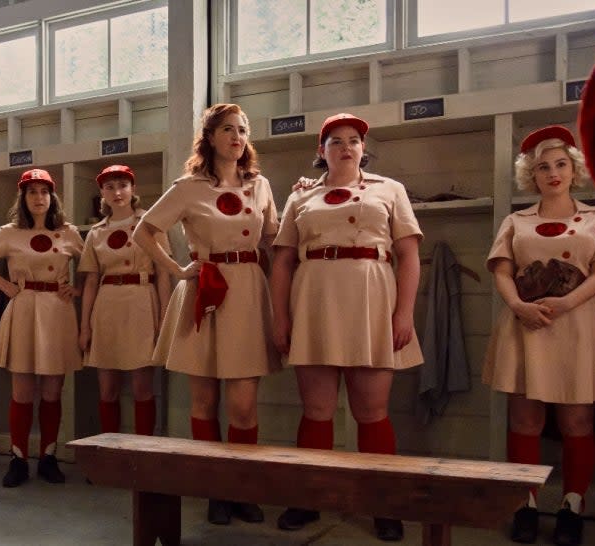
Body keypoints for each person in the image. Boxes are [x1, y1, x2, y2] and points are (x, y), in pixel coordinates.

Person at [269, 113, 423, 541]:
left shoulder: (389, 190)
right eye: (335, 140)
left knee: (372, 411)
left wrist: (404, 312)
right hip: (314, 299)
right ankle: (308, 496)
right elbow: (282, 260)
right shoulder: (300, 197)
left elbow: (409, 255)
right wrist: (281, 316)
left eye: (353, 140)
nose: (345, 146)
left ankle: (382, 502)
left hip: (373, 299)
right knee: (316, 410)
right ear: (321, 152)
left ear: (363, 148)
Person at [132, 103, 280, 525]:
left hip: (249, 289)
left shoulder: (260, 185)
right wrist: (178, 270)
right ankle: (214, 489)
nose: (238, 137)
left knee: (244, 405)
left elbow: (274, 238)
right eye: (229, 129)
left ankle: (242, 486)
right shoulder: (188, 187)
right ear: (210, 137)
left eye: (244, 130)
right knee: (204, 398)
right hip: (206, 288)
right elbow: (144, 232)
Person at [482, 125, 595, 546]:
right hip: (525, 325)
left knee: (578, 420)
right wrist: (519, 306)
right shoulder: (515, 220)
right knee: (525, 419)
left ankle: (572, 507)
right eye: (543, 167)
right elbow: (502, 270)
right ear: (532, 175)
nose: (553, 173)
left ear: (574, 169)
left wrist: (566, 303)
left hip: (577, 325)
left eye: (560, 164)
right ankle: (524, 504)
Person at [0, 168, 84, 487]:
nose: (39, 198)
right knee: (22, 391)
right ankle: (18, 459)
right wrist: (5, 287)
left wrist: (77, 290)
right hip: (23, 309)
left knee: (52, 391)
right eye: (32, 192)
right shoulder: (9, 232)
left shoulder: (69, 232)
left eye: (44, 192)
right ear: (23, 197)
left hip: (58, 312)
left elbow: (92, 267)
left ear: (53, 196)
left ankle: (48, 457)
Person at [78, 165, 171, 436]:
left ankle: (143, 454)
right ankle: (110, 452)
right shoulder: (96, 232)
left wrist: (164, 318)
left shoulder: (151, 225)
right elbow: (91, 280)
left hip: (142, 302)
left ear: (133, 189)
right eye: (110, 187)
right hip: (106, 307)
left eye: (122, 185)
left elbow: (163, 274)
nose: (117, 192)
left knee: (143, 386)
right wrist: (85, 327)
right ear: (102, 194)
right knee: (107, 388)